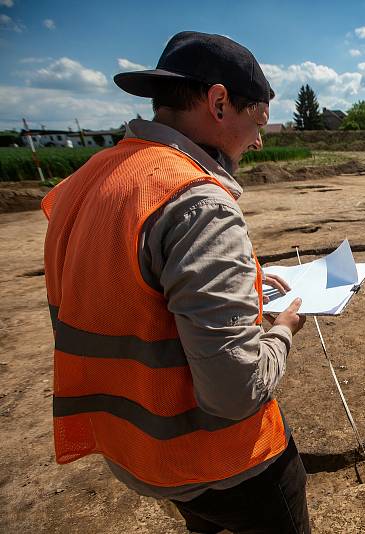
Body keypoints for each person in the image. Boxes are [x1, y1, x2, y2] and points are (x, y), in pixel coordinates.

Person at [42, 31, 310, 533]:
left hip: (140, 453)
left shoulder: (90, 179)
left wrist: (245, 275)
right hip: (221, 463)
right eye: (259, 120)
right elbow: (235, 391)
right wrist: (282, 329)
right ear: (219, 101)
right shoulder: (196, 203)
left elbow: (129, 287)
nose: (259, 140)